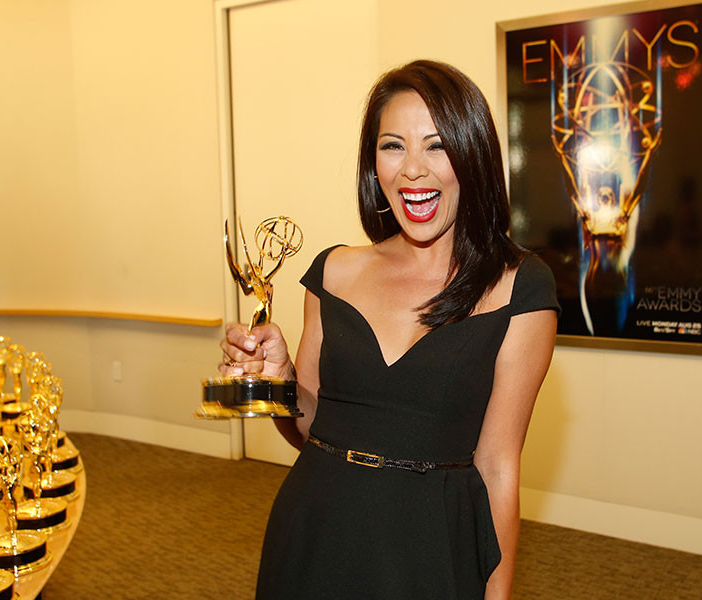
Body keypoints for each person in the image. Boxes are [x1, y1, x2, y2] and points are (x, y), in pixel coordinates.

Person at [219, 60, 559, 600]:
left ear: (473, 156)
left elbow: (497, 468)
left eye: (437, 145)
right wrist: (280, 378)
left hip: (428, 549)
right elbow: (310, 430)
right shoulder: (333, 271)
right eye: (393, 146)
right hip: (314, 531)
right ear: (372, 162)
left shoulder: (521, 287)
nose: (412, 171)